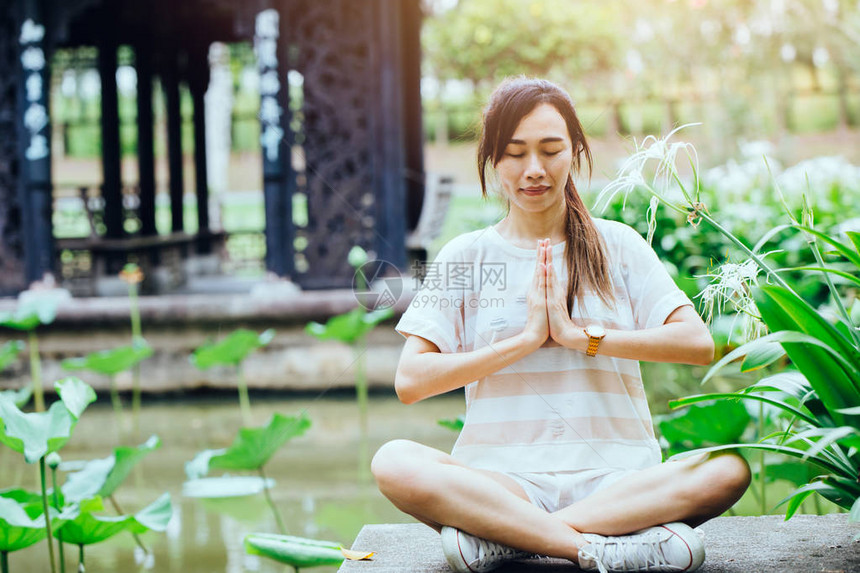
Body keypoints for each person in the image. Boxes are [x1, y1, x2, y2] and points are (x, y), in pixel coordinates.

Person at [371, 77, 750, 573]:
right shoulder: (466, 257)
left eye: (551, 150)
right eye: (515, 153)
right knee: (393, 461)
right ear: (492, 159)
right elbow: (410, 381)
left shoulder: (620, 245)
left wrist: (580, 338)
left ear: (576, 151)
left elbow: (696, 344)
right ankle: (588, 546)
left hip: (618, 481)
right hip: (503, 482)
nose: (534, 170)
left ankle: (513, 538)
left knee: (728, 467)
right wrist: (525, 341)